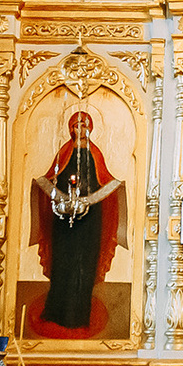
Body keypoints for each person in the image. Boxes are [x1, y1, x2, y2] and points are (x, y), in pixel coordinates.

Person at [30, 110, 123, 333]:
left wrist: (88, 200)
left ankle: (80, 315)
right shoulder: (64, 152)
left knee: (84, 265)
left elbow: (107, 183)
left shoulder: (96, 153)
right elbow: (51, 179)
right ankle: (57, 312)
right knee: (63, 263)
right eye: (75, 125)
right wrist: (61, 197)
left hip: (90, 221)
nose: (79, 129)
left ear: (90, 128)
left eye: (83, 125)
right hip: (63, 220)